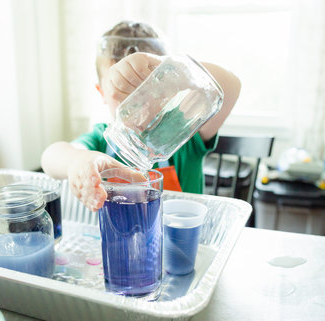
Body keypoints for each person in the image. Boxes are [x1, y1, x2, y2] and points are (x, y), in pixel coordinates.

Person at [41, 20, 241, 211]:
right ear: (101, 92)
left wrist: (174, 69)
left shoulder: (181, 128)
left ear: (167, 91)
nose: (137, 106)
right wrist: (78, 160)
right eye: (122, 92)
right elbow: (51, 156)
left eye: (147, 90)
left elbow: (231, 86)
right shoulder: (101, 139)